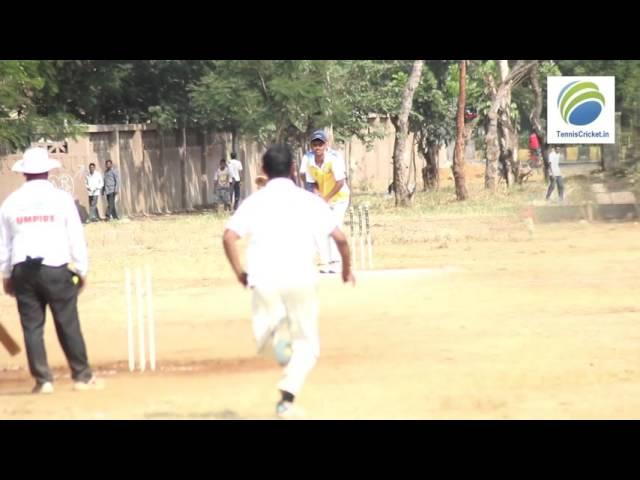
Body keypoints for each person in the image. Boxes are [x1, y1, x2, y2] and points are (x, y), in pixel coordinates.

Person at [222, 144, 355, 418]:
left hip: (263, 278)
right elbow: (341, 239)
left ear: (263, 171)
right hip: (301, 278)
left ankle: (280, 353)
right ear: (294, 170)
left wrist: (239, 273)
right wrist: (345, 270)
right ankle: (287, 397)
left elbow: (229, 237)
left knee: (266, 340)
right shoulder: (310, 201)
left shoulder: (255, 201)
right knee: (307, 346)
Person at [0, 147, 103, 394]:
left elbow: (4, 243)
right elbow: (75, 236)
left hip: (23, 269)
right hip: (55, 267)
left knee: (32, 327)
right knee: (67, 322)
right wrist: (81, 269)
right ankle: (82, 377)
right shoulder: (61, 199)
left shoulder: (11, 202)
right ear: (47, 170)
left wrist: (5, 275)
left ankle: (43, 380)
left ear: (24, 173)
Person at [300, 130, 351, 273]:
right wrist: (316, 193)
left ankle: (336, 262)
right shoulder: (308, 159)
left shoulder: (334, 158)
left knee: (334, 226)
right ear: (311, 145)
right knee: (321, 228)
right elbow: (309, 181)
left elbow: (340, 182)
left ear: (326, 145)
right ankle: (325, 261)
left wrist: (326, 198)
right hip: (323, 198)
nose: (317, 147)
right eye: (315, 144)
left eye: (320, 144)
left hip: (339, 197)